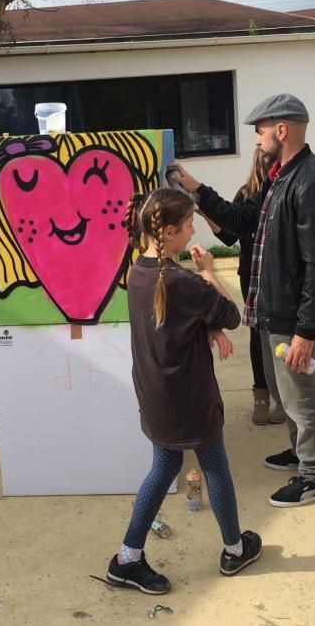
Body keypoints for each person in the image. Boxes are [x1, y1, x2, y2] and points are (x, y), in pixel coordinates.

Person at [168, 93, 315, 508]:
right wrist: (194, 187)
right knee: (285, 395)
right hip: (270, 312)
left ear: (282, 131)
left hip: (290, 318)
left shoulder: (312, 184)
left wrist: (305, 331)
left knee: (302, 395)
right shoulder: (279, 177)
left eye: (260, 132)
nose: (257, 141)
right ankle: (301, 454)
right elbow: (240, 221)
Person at [105, 187, 261, 595]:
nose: (195, 229)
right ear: (169, 231)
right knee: (215, 467)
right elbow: (231, 315)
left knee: (164, 467)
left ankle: (127, 558)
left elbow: (180, 321)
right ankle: (234, 547)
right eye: (190, 223)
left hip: (155, 393)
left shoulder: (139, 271)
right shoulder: (183, 282)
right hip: (189, 396)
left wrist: (205, 326)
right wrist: (209, 270)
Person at [197, 148, 286, 426]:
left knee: (280, 334)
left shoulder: (286, 192)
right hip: (252, 275)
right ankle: (262, 395)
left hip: (280, 275)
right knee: (258, 335)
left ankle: (283, 397)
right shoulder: (246, 194)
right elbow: (227, 236)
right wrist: (205, 212)